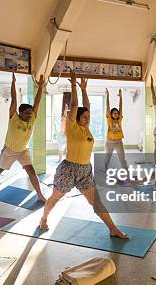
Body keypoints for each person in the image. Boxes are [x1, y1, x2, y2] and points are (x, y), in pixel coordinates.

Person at [39, 74, 128, 238]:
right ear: (76, 118)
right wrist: (74, 86)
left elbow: (86, 106)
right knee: (55, 198)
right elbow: (75, 104)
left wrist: (84, 90)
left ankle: (113, 229)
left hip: (85, 170)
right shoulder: (72, 127)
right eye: (84, 117)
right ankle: (43, 218)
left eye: (88, 116)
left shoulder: (87, 129)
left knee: (96, 202)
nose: (88, 118)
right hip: (69, 169)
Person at [0, 73, 46, 202]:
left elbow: (37, 101)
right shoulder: (14, 118)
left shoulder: (32, 119)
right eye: (27, 113)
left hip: (23, 151)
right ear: (20, 113)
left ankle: (39, 194)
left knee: (32, 172)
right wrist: (13, 83)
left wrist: (40, 87)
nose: (30, 115)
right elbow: (14, 100)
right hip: (10, 150)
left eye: (31, 113)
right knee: (0, 169)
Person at [104, 88, 128, 174]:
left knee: (122, 159)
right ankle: (104, 171)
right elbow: (108, 107)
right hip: (109, 143)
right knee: (107, 159)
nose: (116, 114)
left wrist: (121, 97)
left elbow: (121, 108)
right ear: (111, 114)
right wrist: (107, 95)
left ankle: (126, 173)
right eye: (114, 113)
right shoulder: (109, 119)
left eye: (117, 113)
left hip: (119, 142)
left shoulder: (119, 120)